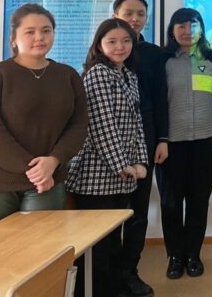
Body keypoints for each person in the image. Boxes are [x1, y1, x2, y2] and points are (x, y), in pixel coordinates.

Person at [66, 18, 149, 297]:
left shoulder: (128, 75)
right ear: (99, 45)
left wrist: (141, 162)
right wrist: (122, 165)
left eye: (125, 41)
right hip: (95, 175)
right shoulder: (98, 73)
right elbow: (102, 125)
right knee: (96, 246)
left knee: (114, 240)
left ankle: (112, 289)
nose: (119, 46)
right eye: (112, 41)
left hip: (122, 175)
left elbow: (137, 124)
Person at [0, 3, 87, 223]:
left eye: (46, 30)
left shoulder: (68, 75)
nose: (39, 37)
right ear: (13, 38)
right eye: (30, 32)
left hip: (49, 178)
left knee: (41, 242)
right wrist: (35, 170)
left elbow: (79, 125)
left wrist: (53, 161)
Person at [157, 8, 212, 279]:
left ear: (201, 29)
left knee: (199, 201)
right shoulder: (163, 61)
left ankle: (193, 255)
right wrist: (160, 139)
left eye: (193, 26)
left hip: (205, 141)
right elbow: (156, 103)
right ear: (172, 30)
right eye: (181, 26)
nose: (187, 32)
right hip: (171, 143)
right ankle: (175, 256)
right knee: (171, 202)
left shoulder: (211, 61)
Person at [112, 0, 168, 297]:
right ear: (115, 15)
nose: (135, 19)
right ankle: (107, 274)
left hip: (145, 137)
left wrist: (162, 139)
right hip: (109, 140)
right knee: (109, 211)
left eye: (140, 14)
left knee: (138, 210)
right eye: (128, 13)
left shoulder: (154, 54)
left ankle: (129, 272)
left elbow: (160, 99)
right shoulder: (105, 49)